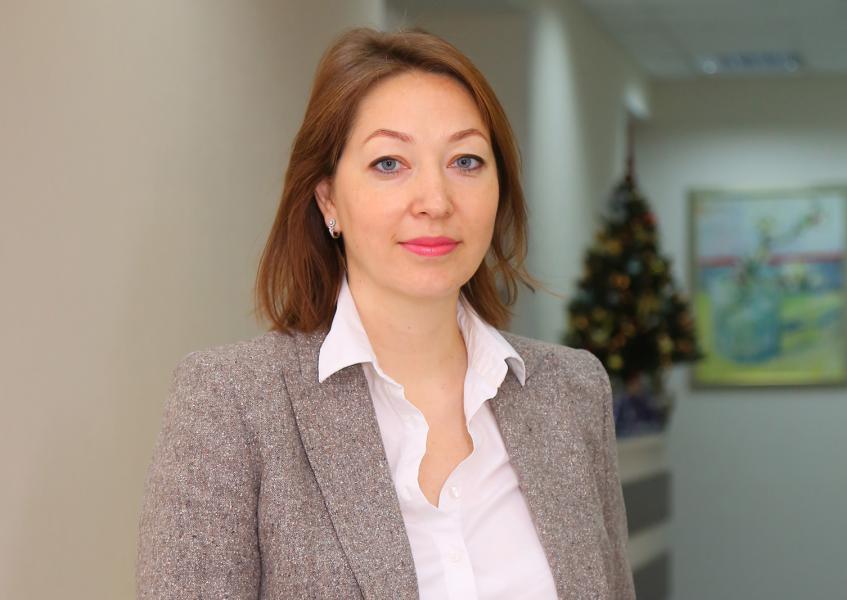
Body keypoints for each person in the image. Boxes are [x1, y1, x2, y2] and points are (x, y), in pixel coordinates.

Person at [136, 27, 635, 600]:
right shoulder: (231, 403)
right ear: (328, 198)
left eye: (466, 160)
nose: (436, 201)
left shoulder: (572, 393)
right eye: (390, 163)